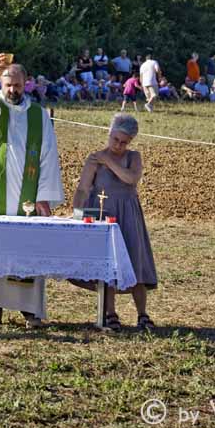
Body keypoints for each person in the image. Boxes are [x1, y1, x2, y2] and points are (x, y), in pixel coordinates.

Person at [0, 55, 64, 329]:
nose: (13, 90)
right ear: (2, 83)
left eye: (18, 85)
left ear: (27, 84)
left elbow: (48, 155)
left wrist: (44, 195)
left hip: (28, 195)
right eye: (8, 84)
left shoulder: (39, 115)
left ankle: (30, 312)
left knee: (27, 252)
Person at [72, 113, 157, 332]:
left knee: (135, 261)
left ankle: (142, 314)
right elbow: (83, 188)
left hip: (128, 215)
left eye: (124, 142)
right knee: (107, 264)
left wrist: (108, 160)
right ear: (109, 134)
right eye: (115, 139)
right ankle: (110, 312)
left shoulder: (133, 157)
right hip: (103, 213)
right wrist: (77, 214)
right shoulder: (94, 159)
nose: (118, 145)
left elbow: (131, 178)